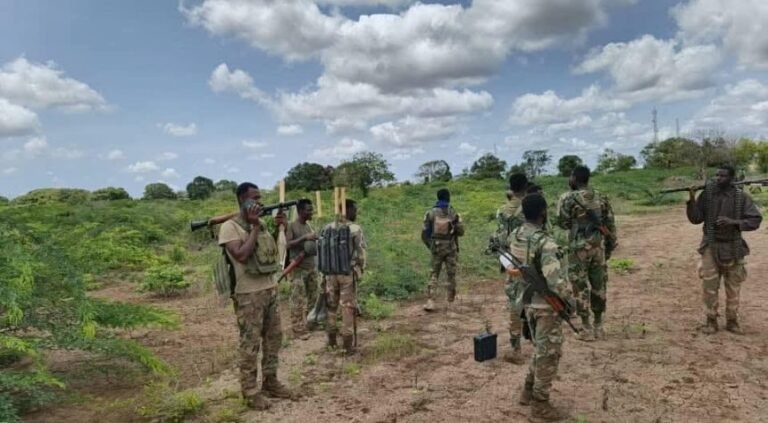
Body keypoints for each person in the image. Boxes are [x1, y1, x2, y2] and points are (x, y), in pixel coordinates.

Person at [218, 182, 295, 410]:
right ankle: (250, 391)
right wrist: (253, 227)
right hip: (247, 295)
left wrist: (280, 228)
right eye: (255, 197)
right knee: (250, 344)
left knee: (274, 338)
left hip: (268, 289)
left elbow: (268, 252)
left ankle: (271, 382)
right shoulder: (230, 227)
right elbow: (241, 255)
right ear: (242, 200)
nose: (260, 201)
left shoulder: (259, 223)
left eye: (260, 197)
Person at [513, 194, 575, 421]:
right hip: (546, 305)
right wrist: (570, 301)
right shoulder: (547, 243)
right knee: (549, 353)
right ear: (543, 213)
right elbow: (555, 281)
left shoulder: (517, 235)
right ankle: (540, 405)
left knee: (541, 348)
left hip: (526, 301)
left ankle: (528, 390)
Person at [686, 165, 762, 334]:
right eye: (717, 175)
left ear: (732, 178)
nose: (718, 178)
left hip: (734, 246)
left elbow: (755, 220)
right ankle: (711, 320)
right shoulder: (707, 195)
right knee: (709, 285)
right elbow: (696, 218)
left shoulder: (741, 198)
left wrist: (733, 222)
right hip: (710, 246)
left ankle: (732, 321)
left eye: (723, 176)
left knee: (733, 286)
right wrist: (692, 200)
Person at [556, 166, 616, 341]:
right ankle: (599, 325)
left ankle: (586, 327)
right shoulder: (601, 196)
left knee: (579, 287)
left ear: (574, 178)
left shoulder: (567, 198)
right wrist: (609, 247)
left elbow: (563, 223)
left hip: (578, 249)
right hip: (598, 248)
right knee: (599, 286)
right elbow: (610, 224)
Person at [323, 199, 367, 353]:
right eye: (353, 209)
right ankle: (348, 344)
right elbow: (360, 252)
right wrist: (361, 268)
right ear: (346, 210)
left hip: (330, 273)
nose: (356, 212)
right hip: (347, 273)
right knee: (347, 307)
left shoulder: (328, 227)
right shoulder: (355, 228)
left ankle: (331, 340)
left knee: (331, 307)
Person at [496, 173, 528, 364]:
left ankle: (515, 346)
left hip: (510, 259)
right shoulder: (530, 207)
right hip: (529, 260)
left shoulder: (502, 211)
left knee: (514, 304)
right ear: (525, 186)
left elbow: (499, 237)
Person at [422, 188, 464, 311]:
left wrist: (431, 246)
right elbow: (461, 232)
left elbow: (424, 234)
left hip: (436, 247)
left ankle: (431, 301)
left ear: (438, 197)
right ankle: (450, 301)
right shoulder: (453, 213)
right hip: (451, 247)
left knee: (434, 273)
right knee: (451, 274)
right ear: (448, 198)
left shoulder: (430, 213)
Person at [285, 198, 319, 339]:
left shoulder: (308, 225)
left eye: (311, 209)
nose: (311, 212)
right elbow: (287, 244)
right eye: (308, 210)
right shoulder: (292, 226)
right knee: (297, 300)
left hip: (311, 267)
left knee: (313, 297)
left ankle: (311, 322)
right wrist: (305, 238)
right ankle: (298, 329)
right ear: (300, 211)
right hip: (298, 268)